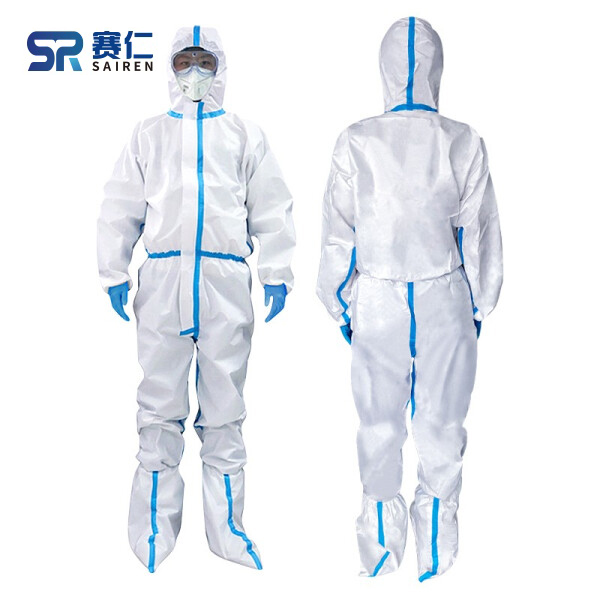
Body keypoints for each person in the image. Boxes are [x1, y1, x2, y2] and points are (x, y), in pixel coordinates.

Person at [97, 25, 295, 573]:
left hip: (224, 282)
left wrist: (277, 270)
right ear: (170, 68)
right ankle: (152, 533)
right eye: (183, 61)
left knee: (225, 410)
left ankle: (228, 533)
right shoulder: (148, 134)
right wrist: (113, 268)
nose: (194, 72)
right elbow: (120, 204)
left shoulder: (244, 135)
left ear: (221, 66)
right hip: (163, 283)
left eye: (204, 61)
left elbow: (271, 205)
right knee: (159, 409)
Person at [316, 17, 502, 580]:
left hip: (378, 298)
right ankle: (435, 551)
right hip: (444, 295)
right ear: (438, 70)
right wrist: (479, 302)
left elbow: (339, 233)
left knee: (380, 424)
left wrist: (341, 300)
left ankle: (381, 549)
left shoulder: (358, 140)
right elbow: (479, 233)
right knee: (442, 424)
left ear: (384, 69)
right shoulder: (461, 140)